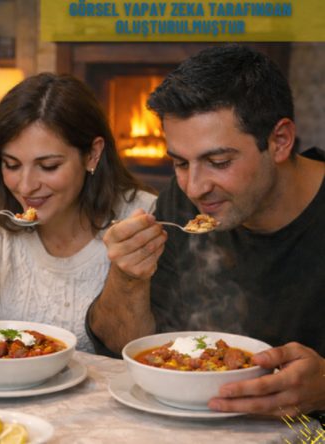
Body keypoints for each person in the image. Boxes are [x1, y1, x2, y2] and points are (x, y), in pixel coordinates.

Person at [87, 45, 325, 416]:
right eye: (180, 163)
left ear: (279, 141)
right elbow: (130, 349)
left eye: (218, 161)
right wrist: (127, 278)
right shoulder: (184, 205)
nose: (195, 187)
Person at [0, 73, 156, 352]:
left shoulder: (141, 218)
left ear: (92, 154)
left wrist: (129, 277)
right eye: (12, 164)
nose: (26, 187)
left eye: (49, 166)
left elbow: (146, 351)